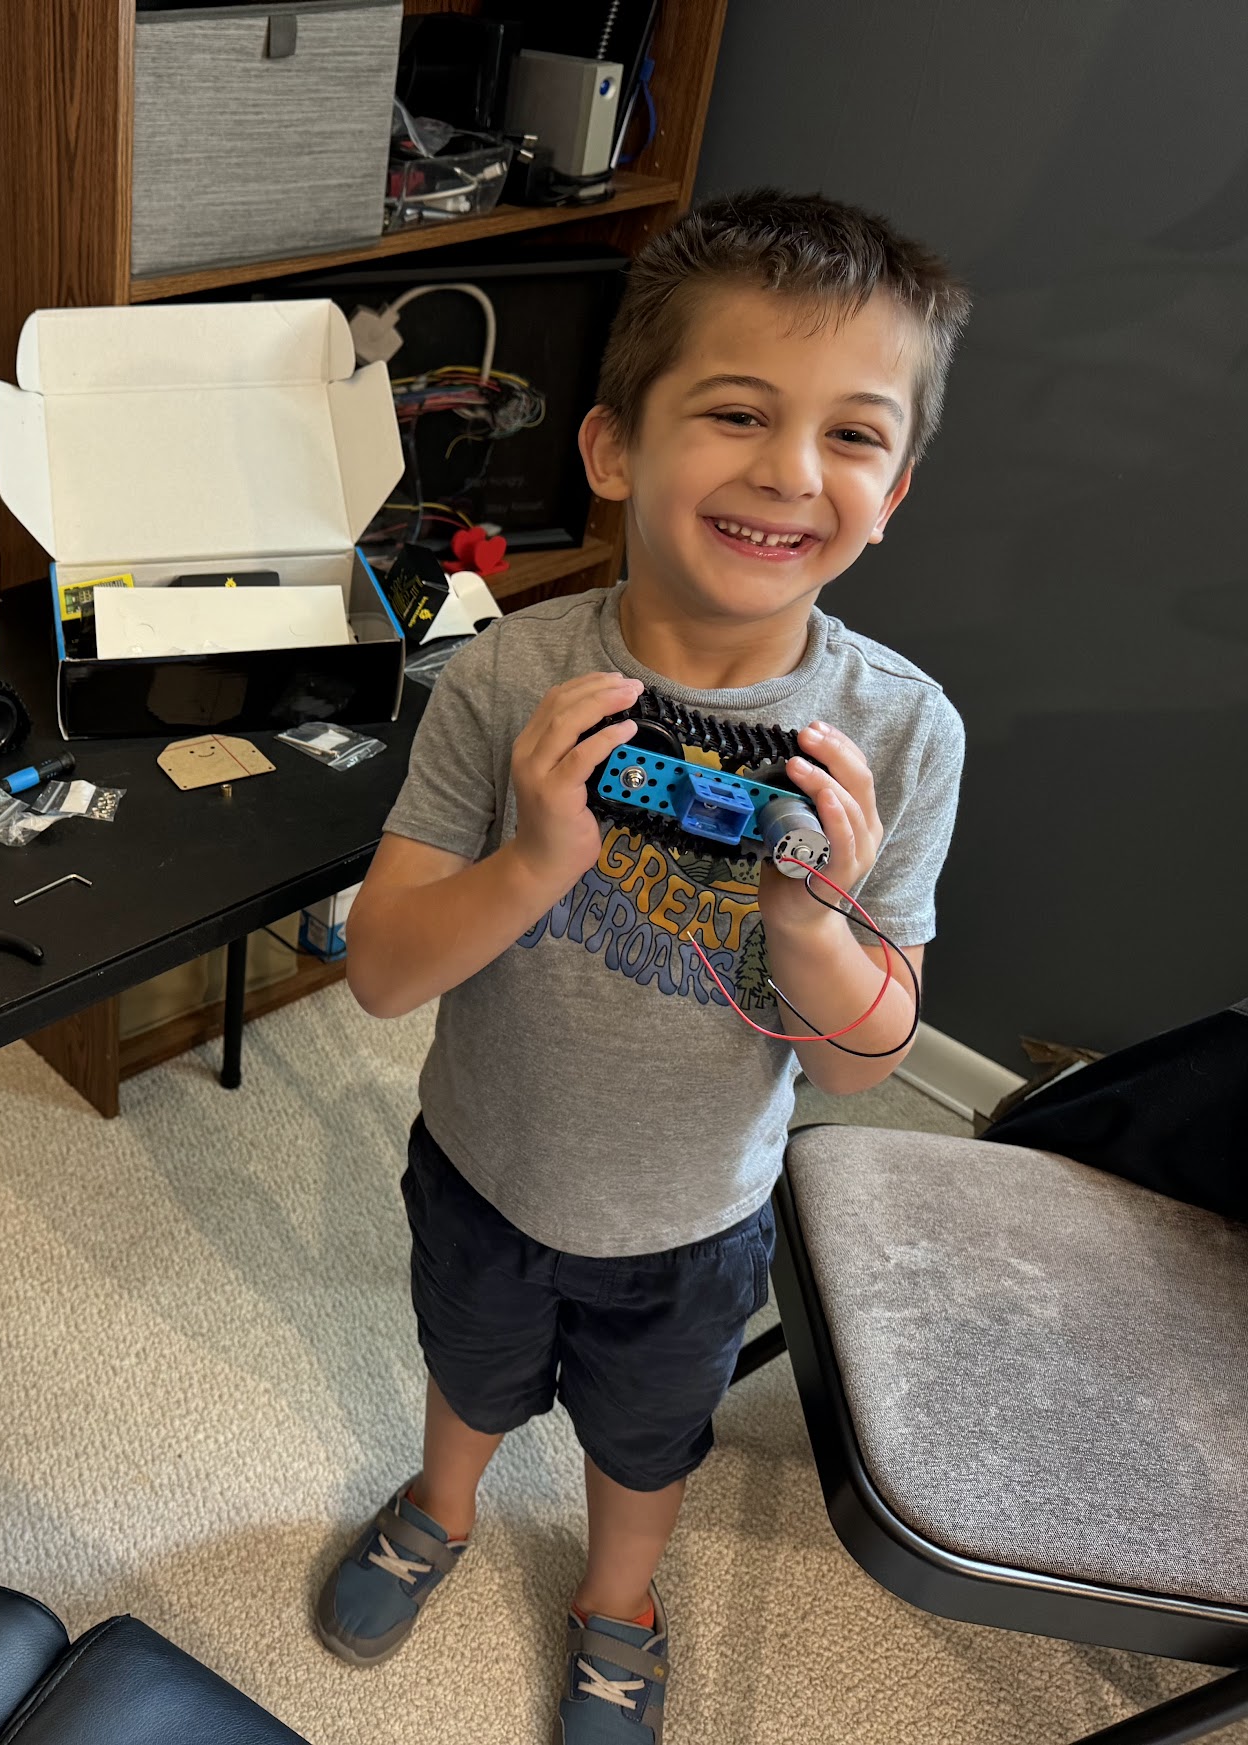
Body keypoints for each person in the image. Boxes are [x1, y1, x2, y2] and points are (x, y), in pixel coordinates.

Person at [315, 190, 971, 1742]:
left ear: (899, 488)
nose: (790, 471)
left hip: (696, 1212)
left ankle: (619, 1603)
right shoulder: (512, 673)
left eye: (855, 434)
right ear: (615, 449)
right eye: (735, 411)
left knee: (647, 1436)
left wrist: (813, 915)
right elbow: (384, 975)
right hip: (488, 1160)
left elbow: (871, 1063)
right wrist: (538, 854)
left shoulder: (900, 733)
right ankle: (442, 1504)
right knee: (469, 1372)